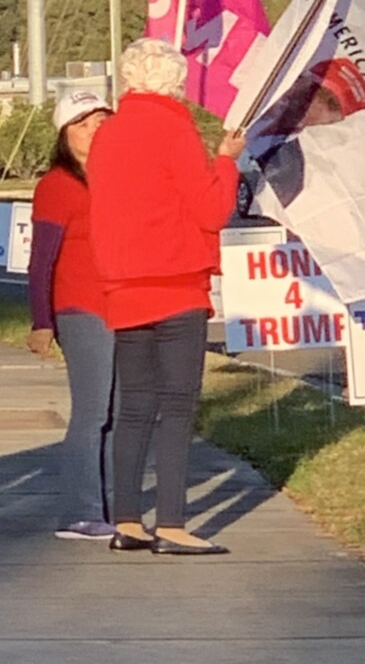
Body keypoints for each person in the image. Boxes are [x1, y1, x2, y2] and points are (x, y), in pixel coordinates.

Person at [87, 37, 245, 556]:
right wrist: (226, 161)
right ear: (173, 83)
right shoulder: (176, 129)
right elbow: (210, 210)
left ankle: (128, 520)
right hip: (176, 282)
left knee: (133, 407)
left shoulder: (107, 135)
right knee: (177, 406)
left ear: (130, 81)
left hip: (123, 285)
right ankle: (173, 523)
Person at [27, 88, 116, 540]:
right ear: (65, 135)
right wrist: (41, 321)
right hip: (81, 309)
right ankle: (81, 511)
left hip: (122, 306)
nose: (95, 129)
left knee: (121, 411)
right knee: (93, 410)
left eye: (102, 119)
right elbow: (41, 259)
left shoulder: (118, 178)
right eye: (84, 123)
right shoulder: (57, 186)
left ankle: (115, 506)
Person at [249, 57, 365, 208]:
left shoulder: (287, 172)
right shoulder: (244, 104)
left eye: (315, 93)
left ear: (331, 119)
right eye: (301, 79)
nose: (294, 91)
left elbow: (262, 223)